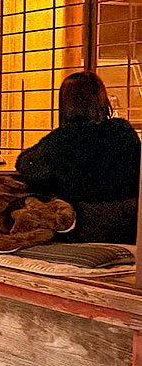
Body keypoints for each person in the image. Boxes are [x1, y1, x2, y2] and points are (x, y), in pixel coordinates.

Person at [17, 71, 140, 244]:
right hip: (130, 227)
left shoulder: (63, 139)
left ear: (66, 104)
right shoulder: (123, 131)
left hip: (82, 228)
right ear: (101, 99)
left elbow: (26, 165)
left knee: (25, 199)